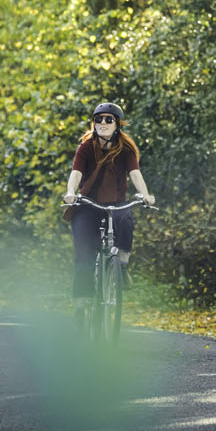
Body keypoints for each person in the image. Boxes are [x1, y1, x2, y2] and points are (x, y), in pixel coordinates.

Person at [62, 101, 155, 326]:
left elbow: (135, 173)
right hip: (87, 205)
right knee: (84, 254)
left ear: (117, 125)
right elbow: (76, 172)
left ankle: (121, 265)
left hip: (115, 203)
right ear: (94, 123)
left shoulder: (126, 148)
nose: (103, 123)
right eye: (98, 119)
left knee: (126, 218)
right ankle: (82, 304)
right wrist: (70, 192)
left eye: (108, 119)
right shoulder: (86, 147)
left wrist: (145, 194)